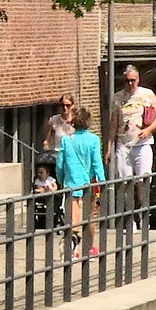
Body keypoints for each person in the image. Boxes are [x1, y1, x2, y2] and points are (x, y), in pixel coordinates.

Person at [57, 106, 105, 256]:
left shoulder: (66, 140)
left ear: (73, 123)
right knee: (91, 216)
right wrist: (101, 180)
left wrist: (60, 179)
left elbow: (60, 164)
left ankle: (73, 248)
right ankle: (89, 248)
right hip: (89, 183)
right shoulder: (94, 140)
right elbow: (97, 163)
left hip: (71, 183)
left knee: (73, 217)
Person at [112, 64, 156, 178]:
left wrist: (148, 130)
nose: (130, 84)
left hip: (142, 143)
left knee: (143, 179)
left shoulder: (148, 94)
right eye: (127, 81)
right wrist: (109, 148)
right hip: (123, 143)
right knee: (124, 180)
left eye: (133, 81)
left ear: (138, 80)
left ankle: (143, 197)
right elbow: (113, 124)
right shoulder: (117, 97)